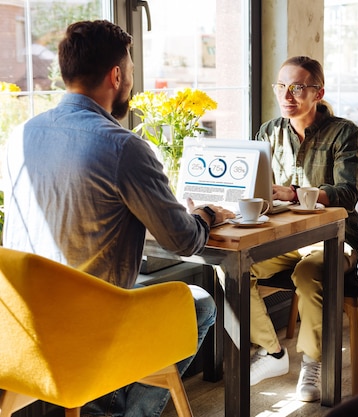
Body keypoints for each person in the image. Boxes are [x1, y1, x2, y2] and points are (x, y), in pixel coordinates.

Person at [2, 20, 234, 417]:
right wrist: (205, 213)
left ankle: (103, 405)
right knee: (199, 303)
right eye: (129, 70)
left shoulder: (19, 136)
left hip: (22, 328)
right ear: (116, 75)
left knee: (137, 288)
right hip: (89, 332)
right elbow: (183, 241)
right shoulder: (124, 148)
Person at [250, 56, 358, 402]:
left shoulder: (344, 133)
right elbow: (260, 189)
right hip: (286, 236)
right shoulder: (268, 132)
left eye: (297, 88)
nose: (287, 95)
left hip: (335, 238)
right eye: (282, 87)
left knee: (312, 272)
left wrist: (293, 193)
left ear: (318, 92)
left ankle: (313, 362)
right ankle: (272, 352)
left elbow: (348, 194)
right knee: (235, 271)